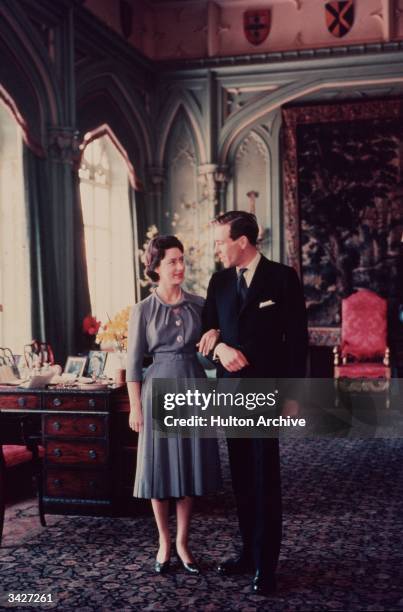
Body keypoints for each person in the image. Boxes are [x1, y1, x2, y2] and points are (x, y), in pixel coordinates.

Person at [199, 211, 308, 596]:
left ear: (242, 241)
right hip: (231, 394)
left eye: (219, 241)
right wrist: (221, 349)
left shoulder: (282, 278)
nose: (216, 249)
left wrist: (294, 396)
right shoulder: (218, 282)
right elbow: (205, 340)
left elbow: (297, 341)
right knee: (242, 478)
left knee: (265, 480)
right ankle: (247, 552)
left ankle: (266, 564)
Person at [126, 235, 222, 575]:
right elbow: (134, 364)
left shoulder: (199, 303)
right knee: (160, 468)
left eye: (182, 260)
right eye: (172, 261)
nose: (180, 267)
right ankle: (164, 540)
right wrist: (136, 408)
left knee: (189, 466)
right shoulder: (143, 310)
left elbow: (213, 341)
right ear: (156, 267)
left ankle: (183, 541)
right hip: (158, 392)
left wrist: (218, 335)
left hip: (194, 387)